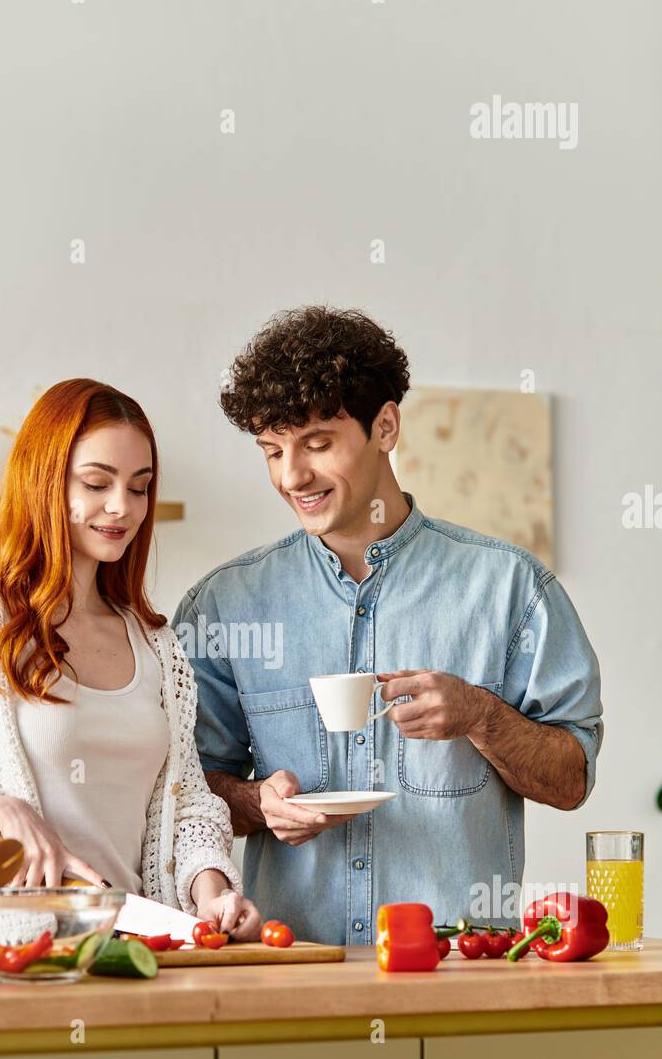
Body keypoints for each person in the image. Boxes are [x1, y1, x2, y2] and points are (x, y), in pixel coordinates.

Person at [172, 306, 603, 942]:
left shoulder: (510, 588)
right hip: (290, 971)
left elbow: (571, 780)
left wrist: (482, 716)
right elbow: (189, 791)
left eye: (317, 444)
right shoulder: (224, 605)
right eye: (272, 450)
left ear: (386, 426)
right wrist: (256, 801)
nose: (293, 475)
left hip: (458, 972)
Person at [0, 379, 262, 955]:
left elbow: (187, 804)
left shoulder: (160, 647)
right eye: (97, 483)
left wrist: (211, 888)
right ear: (46, 484)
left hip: (137, 957)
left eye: (139, 488)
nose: (123, 507)